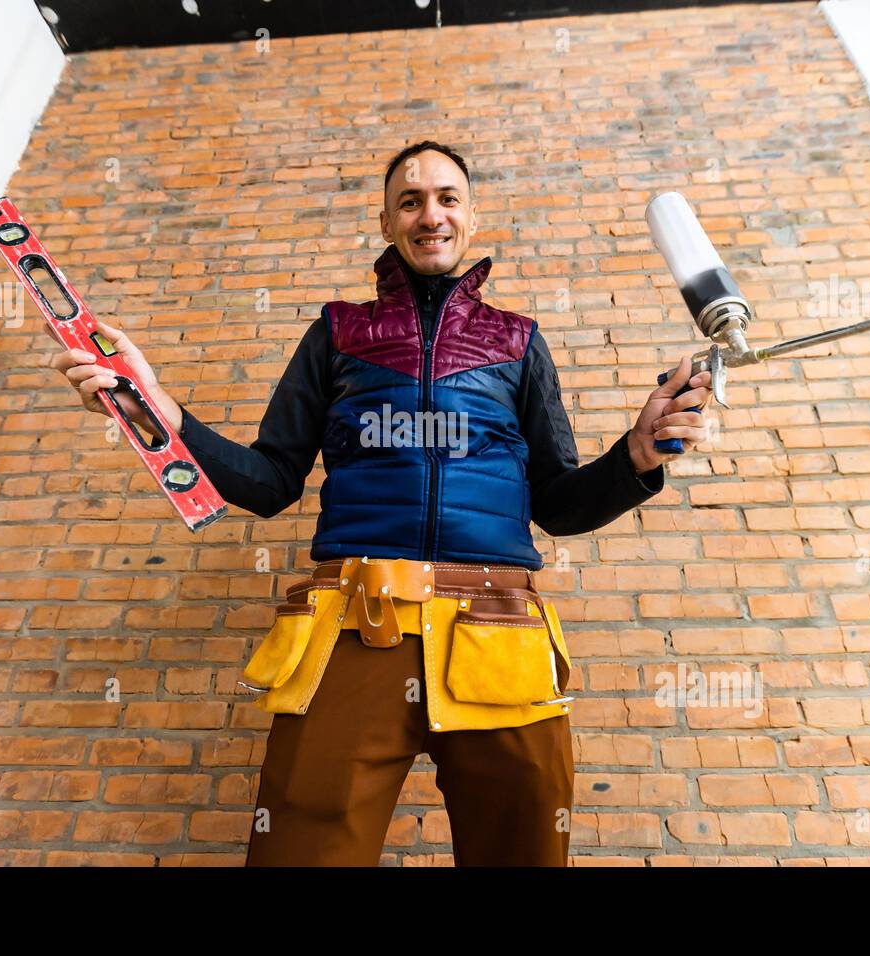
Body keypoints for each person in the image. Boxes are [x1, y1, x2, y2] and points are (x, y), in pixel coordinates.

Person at [49, 141, 714, 866]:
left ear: (470, 214)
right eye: (411, 200)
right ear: (387, 221)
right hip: (353, 628)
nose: (431, 213)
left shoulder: (520, 343)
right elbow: (270, 481)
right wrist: (163, 412)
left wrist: (636, 457)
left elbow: (556, 502)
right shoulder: (336, 333)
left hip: (502, 633)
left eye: (448, 197)